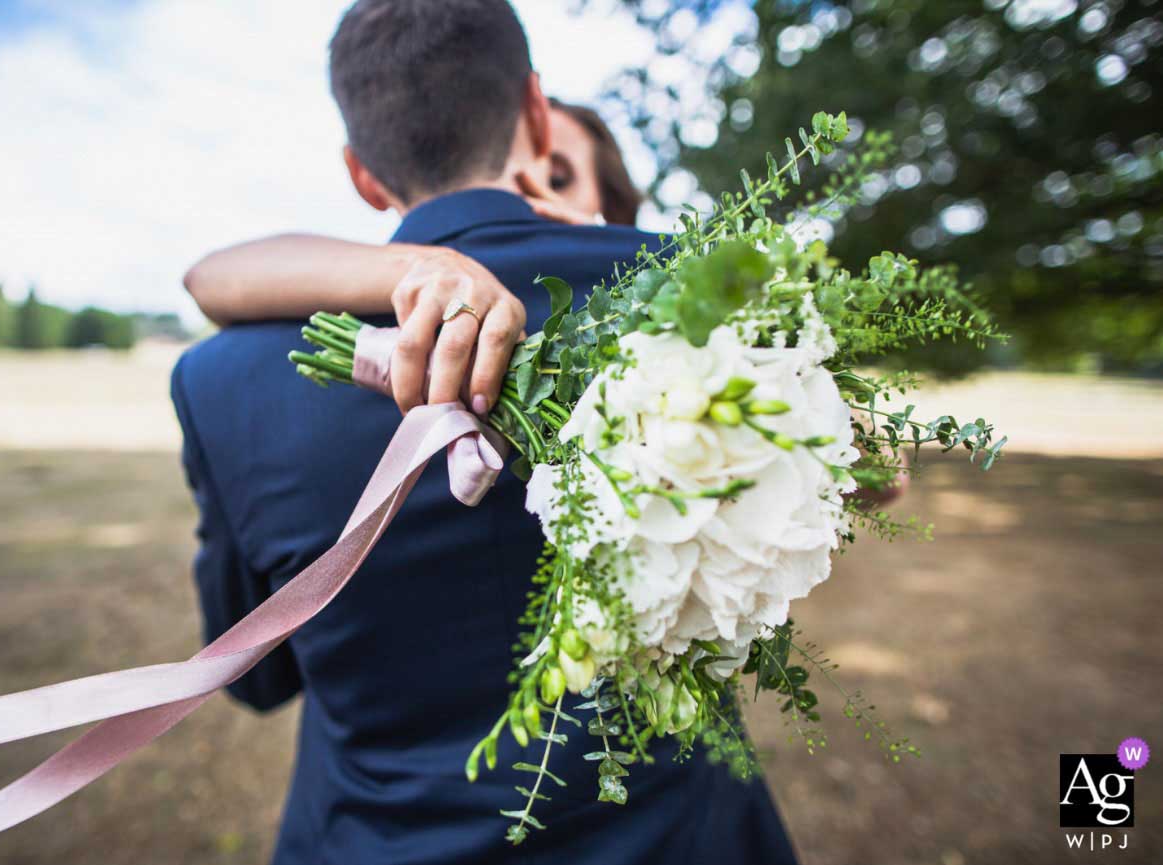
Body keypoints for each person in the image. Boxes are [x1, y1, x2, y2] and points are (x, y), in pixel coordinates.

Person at [170, 2, 798, 863]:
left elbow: (259, 672)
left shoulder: (219, 377)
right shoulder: (710, 303)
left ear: (362, 172)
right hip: (683, 837)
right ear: (536, 115)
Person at [182, 98, 641, 331]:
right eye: (512, 179)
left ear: (612, 205)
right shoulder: (424, 287)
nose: (523, 203)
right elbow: (208, 275)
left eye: (556, 181)